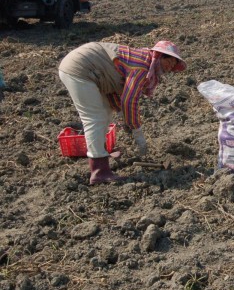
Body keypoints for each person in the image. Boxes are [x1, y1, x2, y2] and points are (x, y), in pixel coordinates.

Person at [58, 41, 187, 185]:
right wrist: (137, 131)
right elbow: (129, 100)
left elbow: (114, 93)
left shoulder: (143, 61)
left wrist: (125, 120)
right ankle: (99, 171)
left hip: (90, 70)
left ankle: (101, 154)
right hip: (80, 68)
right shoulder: (142, 65)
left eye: (173, 64)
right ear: (159, 56)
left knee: (105, 112)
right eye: (169, 60)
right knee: (95, 118)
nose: (170, 67)